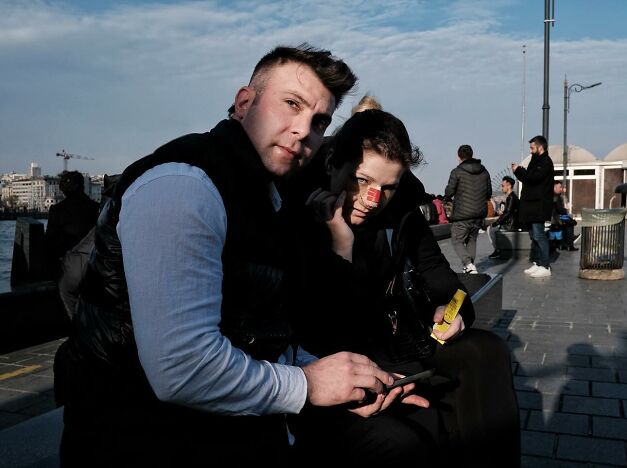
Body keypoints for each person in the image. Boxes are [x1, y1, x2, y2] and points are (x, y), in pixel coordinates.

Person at [54, 45, 416, 467]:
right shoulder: (184, 185)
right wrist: (308, 385)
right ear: (245, 102)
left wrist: (344, 380)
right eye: (291, 104)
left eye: (319, 121)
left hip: (213, 426)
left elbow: (251, 325)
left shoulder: (264, 193)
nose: (303, 130)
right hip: (139, 436)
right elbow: (183, 367)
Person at [295, 109, 520, 465]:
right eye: (360, 180)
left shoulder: (400, 213)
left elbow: (442, 276)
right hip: (337, 350)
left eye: (387, 187)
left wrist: (453, 309)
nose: (372, 200)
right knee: (421, 419)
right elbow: (327, 323)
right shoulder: (300, 213)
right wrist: (342, 246)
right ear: (333, 165)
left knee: (488, 351)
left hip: (400, 337)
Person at [444, 145, 492, 274]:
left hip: (462, 214)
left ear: (459, 156)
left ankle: (468, 264)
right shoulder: (484, 171)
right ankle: (469, 267)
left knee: (457, 239)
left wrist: (447, 197)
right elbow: (489, 193)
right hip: (479, 213)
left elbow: (449, 191)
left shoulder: (457, 171)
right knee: (472, 239)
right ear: (472, 155)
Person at [512, 135, 554, 278]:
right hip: (532, 205)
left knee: (539, 235)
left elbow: (533, 178)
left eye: (532, 148)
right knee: (534, 236)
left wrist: (518, 170)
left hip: (538, 205)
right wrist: (521, 170)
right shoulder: (536, 161)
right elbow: (530, 176)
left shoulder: (545, 162)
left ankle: (545, 265)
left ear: (540, 147)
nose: (530, 151)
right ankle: (537, 262)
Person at [44, 171, 99, 279]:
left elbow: (50, 242)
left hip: (68, 268)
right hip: (94, 265)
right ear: (82, 187)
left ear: (63, 190)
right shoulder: (96, 207)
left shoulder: (57, 210)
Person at [487, 175, 519, 259]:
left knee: (491, 229)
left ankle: (497, 250)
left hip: (510, 225)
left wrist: (495, 223)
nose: (501, 188)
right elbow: (509, 212)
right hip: (511, 222)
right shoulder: (512, 197)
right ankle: (498, 249)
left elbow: (507, 213)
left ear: (509, 185)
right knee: (491, 228)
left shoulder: (511, 197)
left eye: (503, 185)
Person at [551, 181, 578, 251]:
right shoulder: (556, 197)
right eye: (560, 187)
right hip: (555, 218)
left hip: (555, 217)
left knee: (569, 222)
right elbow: (560, 209)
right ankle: (569, 244)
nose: (561, 189)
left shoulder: (554, 196)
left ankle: (563, 244)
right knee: (570, 223)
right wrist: (565, 210)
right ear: (554, 187)